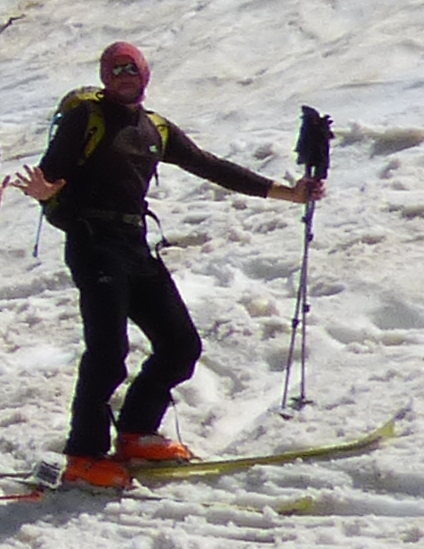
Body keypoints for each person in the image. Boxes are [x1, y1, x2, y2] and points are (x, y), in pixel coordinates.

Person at [20, 40, 325, 489]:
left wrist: (288, 194)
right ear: (104, 77)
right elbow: (51, 172)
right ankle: (83, 454)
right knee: (107, 353)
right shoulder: (87, 118)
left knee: (180, 344)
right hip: (93, 242)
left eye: (131, 68)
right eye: (115, 69)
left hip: (134, 244)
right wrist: (44, 192)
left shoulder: (155, 128)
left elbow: (210, 166)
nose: (124, 75)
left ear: (145, 74)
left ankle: (135, 432)